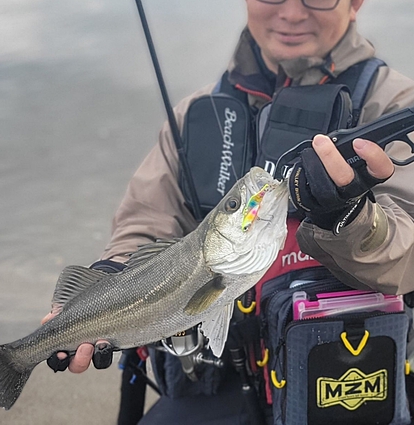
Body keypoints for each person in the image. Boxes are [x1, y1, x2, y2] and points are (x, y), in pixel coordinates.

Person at [43, 0, 414, 423]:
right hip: (214, 378)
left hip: (355, 375)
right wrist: (114, 279)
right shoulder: (199, 114)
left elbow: (408, 258)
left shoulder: (397, 110)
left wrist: (348, 218)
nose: (291, 14)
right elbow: (145, 224)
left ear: (355, 4)